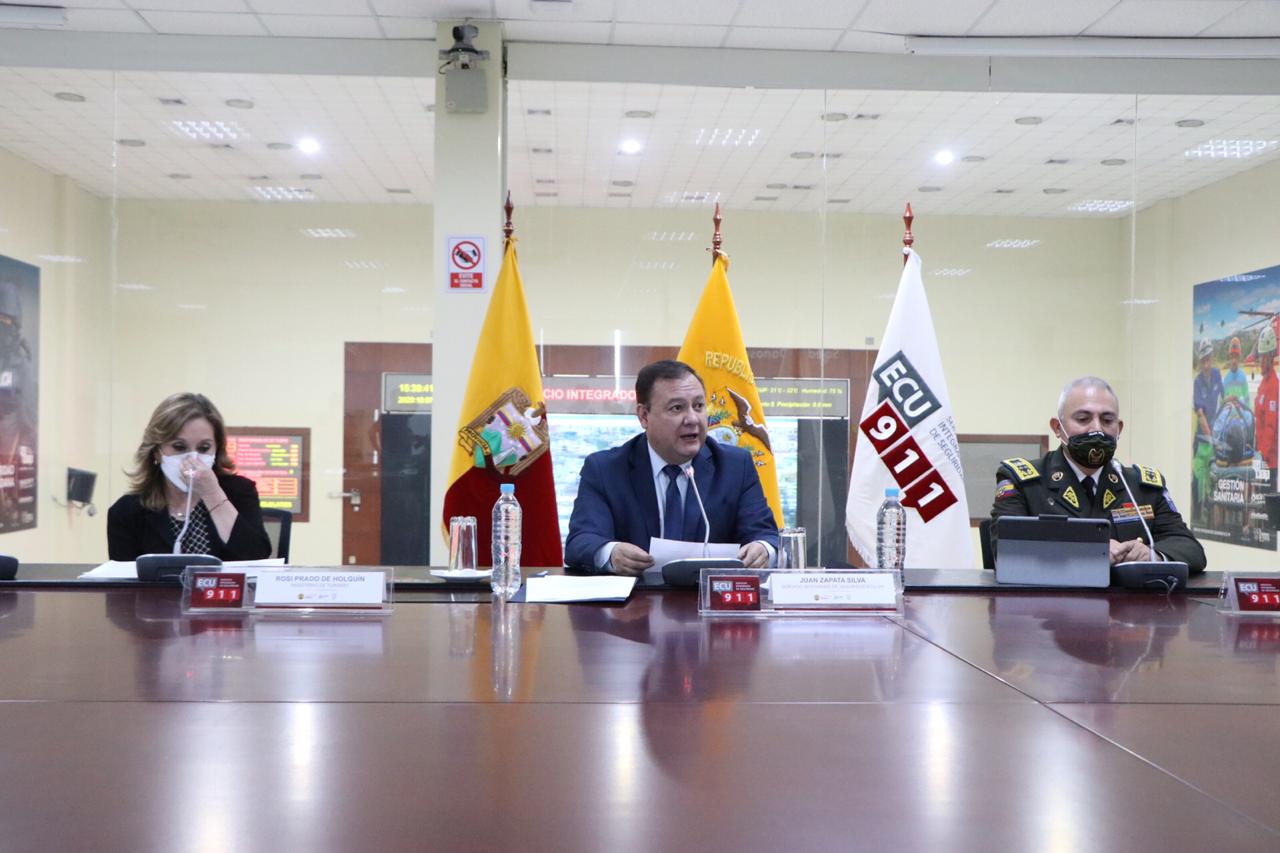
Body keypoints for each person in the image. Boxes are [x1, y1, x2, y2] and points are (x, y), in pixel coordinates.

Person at [565, 359, 779, 575]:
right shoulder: (605, 470)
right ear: (644, 416)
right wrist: (611, 553)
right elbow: (582, 540)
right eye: (677, 408)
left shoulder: (735, 466)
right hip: (637, 595)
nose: (692, 419)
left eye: (699, 406)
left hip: (709, 593)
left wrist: (763, 549)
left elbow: (765, 534)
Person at [989, 376, 1206, 572]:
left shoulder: (1142, 487)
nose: (1097, 429)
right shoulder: (1023, 481)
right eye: (1083, 419)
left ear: (1119, 428)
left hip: (1128, 603)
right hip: (1052, 602)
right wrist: (1092, 549)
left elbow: (1190, 548)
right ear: (1057, 427)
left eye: (1107, 420)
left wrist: (1152, 555)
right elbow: (1007, 548)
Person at [107, 392, 272, 561]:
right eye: (179, 447)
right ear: (156, 451)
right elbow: (123, 576)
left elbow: (257, 556)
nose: (192, 459)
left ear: (217, 449)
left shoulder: (240, 492)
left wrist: (212, 493)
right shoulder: (126, 512)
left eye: (204, 448)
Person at [1192, 338, 1223, 518]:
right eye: (1203, 361)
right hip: (1202, 440)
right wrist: (1211, 437)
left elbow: (1223, 398)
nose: (1206, 364)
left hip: (1215, 437)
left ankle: (1211, 515)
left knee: (1213, 479)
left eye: (1208, 359)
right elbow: (1200, 414)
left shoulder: (1217, 375)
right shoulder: (1197, 382)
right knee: (1197, 478)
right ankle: (1196, 516)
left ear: (1212, 357)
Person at [1255, 324, 1278, 489]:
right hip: (1260, 457)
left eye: (1265, 357)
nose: (1261, 361)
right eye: (1260, 356)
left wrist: (1262, 455)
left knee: (1267, 501)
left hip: (1269, 462)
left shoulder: (1273, 386)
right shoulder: (1263, 383)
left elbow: (1271, 426)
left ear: (1271, 357)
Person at [1222, 336, 1250, 408]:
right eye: (1232, 357)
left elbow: (1247, 401)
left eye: (1236, 357)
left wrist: (1242, 405)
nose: (1234, 361)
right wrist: (1227, 400)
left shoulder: (1243, 377)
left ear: (1239, 358)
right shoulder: (1226, 379)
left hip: (1241, 414)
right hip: (1229, 414)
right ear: (1229, 357)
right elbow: (1222, 402)